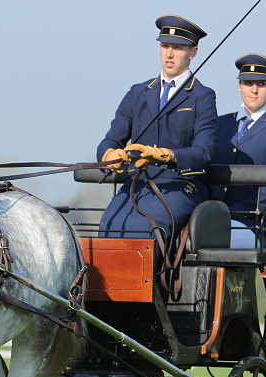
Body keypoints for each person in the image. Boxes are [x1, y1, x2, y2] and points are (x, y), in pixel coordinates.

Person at [97, 15, 217, 245]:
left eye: (178, 48)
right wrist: (109, 155)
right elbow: (110, 141)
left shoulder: (202, 96)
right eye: (165, 46)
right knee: (108, 228)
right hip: (137, 182)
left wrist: (167, 155)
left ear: (193, 52)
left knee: (146, 231)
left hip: (181, 185)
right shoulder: (137, 93)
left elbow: (205, 151)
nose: (169, 54)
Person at [209, 54, 266, 247]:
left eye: (262, 84)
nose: (254, 90)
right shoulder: (217, 125)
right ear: (239, 85)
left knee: (212, 241)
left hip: (254, 224)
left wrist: (240, 211)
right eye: (248, 83)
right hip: (208, 217)